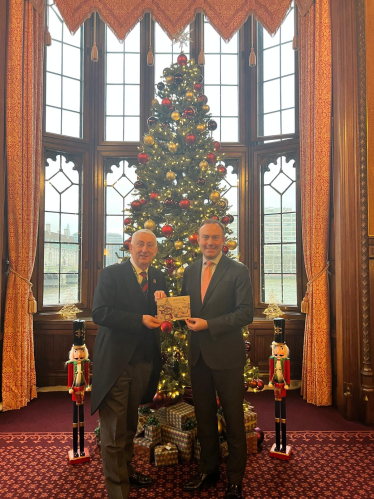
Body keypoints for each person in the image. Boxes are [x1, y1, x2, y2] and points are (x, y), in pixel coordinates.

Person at [91, 229, 168, 499]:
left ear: (156, 250)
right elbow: (99, 312)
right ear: (130, 247)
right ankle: (118, 492)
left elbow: (165, 316)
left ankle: (125, 471)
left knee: (130, 425)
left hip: (144, 364)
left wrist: (163, 305)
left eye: (150, 245)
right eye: (140, 245)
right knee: (113, 432)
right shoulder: (111, 274)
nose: (144, 249)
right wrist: (140, 320)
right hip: (115, 364)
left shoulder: (159, 277)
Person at [181, 219, 253, 499]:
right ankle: (208, 471)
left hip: (227, 357)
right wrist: (163, 301)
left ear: (223, 240)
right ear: (197, 240)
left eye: (215, 238)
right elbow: (184, 307)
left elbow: (245, 313)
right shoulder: (189, 271)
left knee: (234, 420)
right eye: (204, 238)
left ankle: (235, 480)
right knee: (205, 419)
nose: (209, 242)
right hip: (198, 356)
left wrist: (208, 324)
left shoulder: (238, 270)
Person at [66, 320, 91, 461]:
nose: (79, 354)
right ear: (73, 352)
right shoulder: (71, 365)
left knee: (82, 420)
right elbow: (69, 379)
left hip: (82, 391)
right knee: (75, 421)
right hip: (74, 392)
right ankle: (75, 450)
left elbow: (87, 377)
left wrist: (87, 386)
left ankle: (82, 449)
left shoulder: (86, 364)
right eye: (76, 351)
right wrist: (70, 388)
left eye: (81, 351)